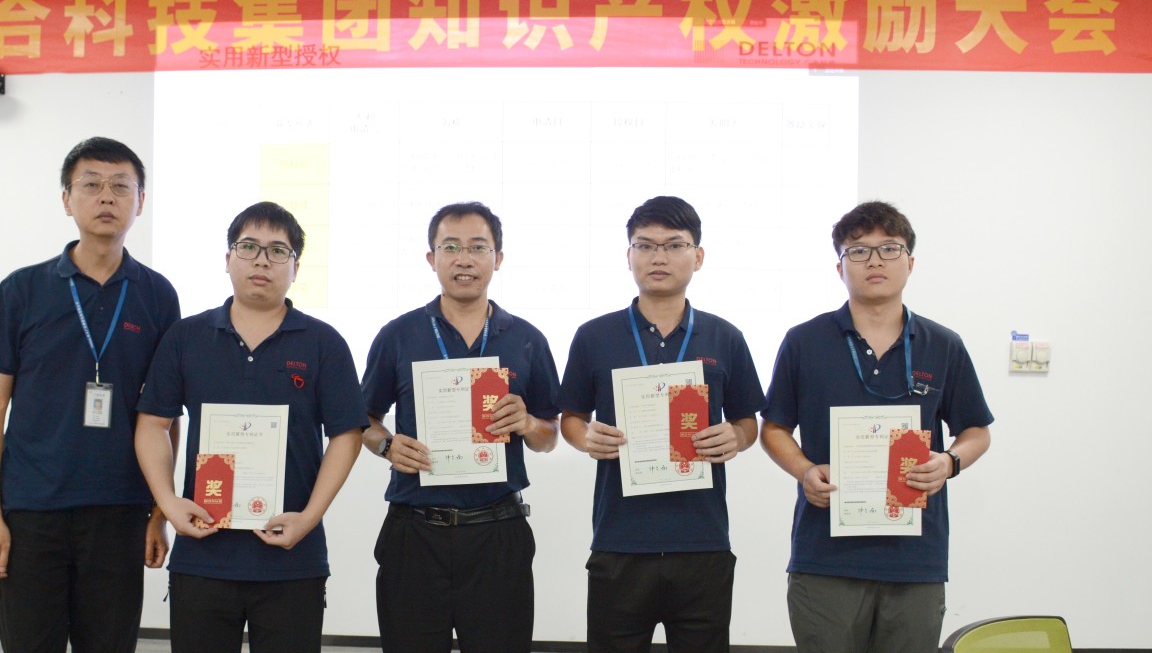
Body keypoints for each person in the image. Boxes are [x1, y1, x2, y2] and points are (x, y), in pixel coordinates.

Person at [0, 136, 180, 653]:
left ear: (141, 202)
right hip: (30, 512)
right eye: (91, 184)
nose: (106, 196)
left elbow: (166, 416)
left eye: (121, 186)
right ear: (67, 199)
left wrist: (160, 511)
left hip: (119, 511)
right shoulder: (22, 289)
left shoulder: (157, 295)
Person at [760, 200, 994, 653]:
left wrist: (949, 462)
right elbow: (773, 429)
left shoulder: (943, 344)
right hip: (825, 555)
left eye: (889, 249)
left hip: (915, 558)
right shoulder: (804, 341)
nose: (874, 261)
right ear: (839, 267)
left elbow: (977, 431)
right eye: (858, 251)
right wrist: (805, 471)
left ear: (910, 262)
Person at [133, 202, 364, 653]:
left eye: (278, 250)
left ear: (296, 268)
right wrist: (167, 503)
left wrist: (309, 518)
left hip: (291, 558)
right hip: (203, 555)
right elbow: (153, 424)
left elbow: (347, 435)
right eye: (249, 247)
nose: (262, 260)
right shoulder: (186, 337)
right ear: (227, 259)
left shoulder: (324, 343)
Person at [559, 195, 765, 653]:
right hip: (620, 541)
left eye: (674, 245)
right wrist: (586, 437)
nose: (659, 257)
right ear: (628, 255)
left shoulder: (725, 336)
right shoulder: (594, 336)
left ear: (698, 256)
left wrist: (736, 436)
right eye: (645, 245)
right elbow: (570, 418)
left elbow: (747, 422)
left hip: (702, 541)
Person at [360, 201, 561, 653]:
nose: (463, 259)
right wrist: (387, 445)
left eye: (477, 247)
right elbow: (362, 420)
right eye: (450, 247)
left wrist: (528, 422)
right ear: (431, 259)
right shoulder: (398, 335)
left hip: (498, 532)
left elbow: (550, 435)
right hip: (415, 532)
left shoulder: (527, 339)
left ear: (498, 258)